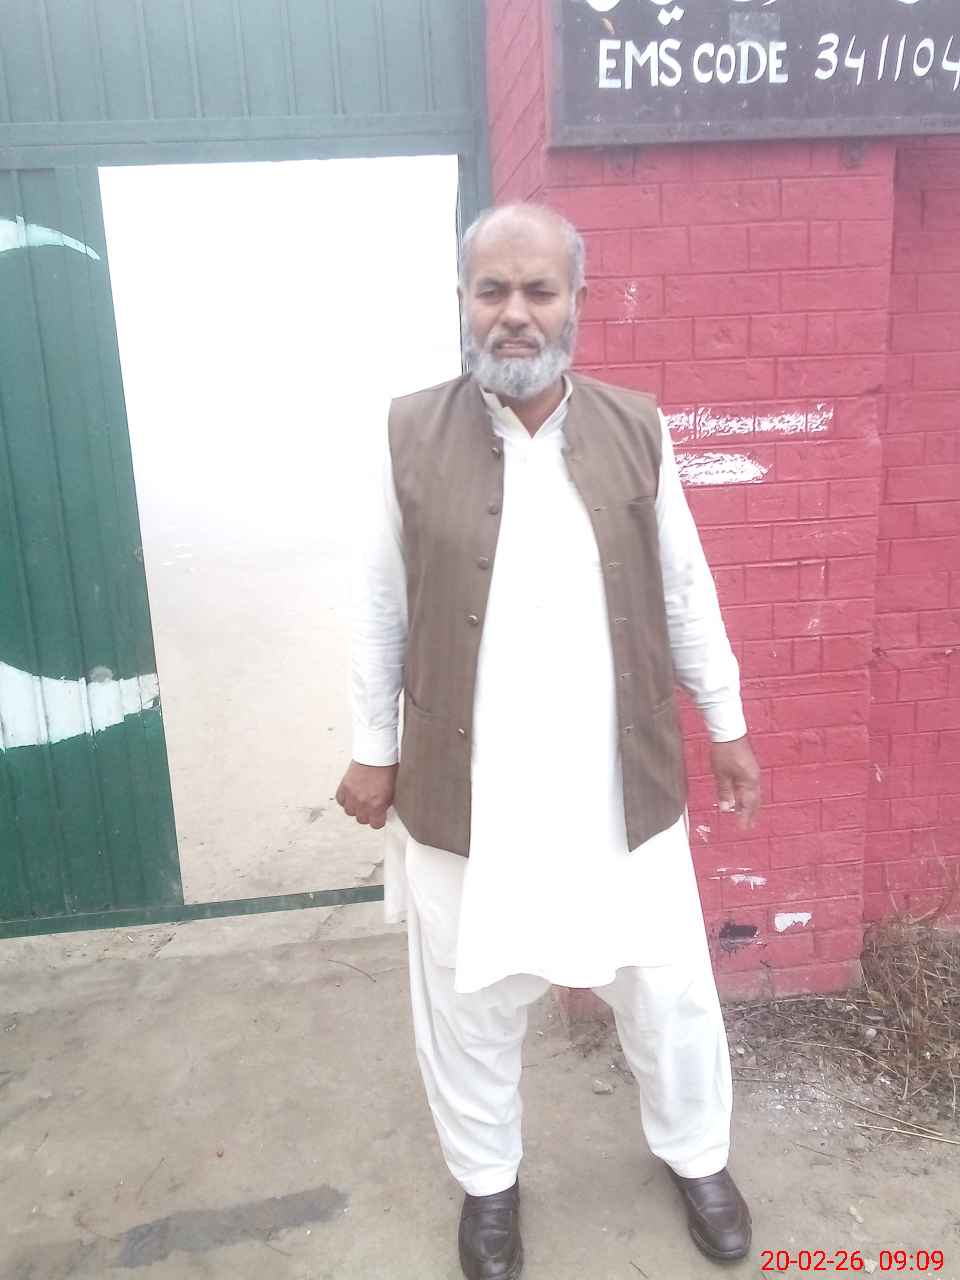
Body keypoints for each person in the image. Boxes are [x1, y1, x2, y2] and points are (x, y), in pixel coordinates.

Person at [336, 202, 761, 1279]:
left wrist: (726, 719)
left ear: (576, 301)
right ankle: (488, 1186)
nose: (515, 313)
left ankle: (699, 1156)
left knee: (666, 988)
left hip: (617, 780)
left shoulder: (636, 428)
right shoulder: (406, 433)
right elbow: (378, 603)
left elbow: (685, 586)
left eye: (539, 290)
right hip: (468, 783)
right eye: (494, 290)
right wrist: (372, 744)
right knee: (468, 1000)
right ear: (464, 302)